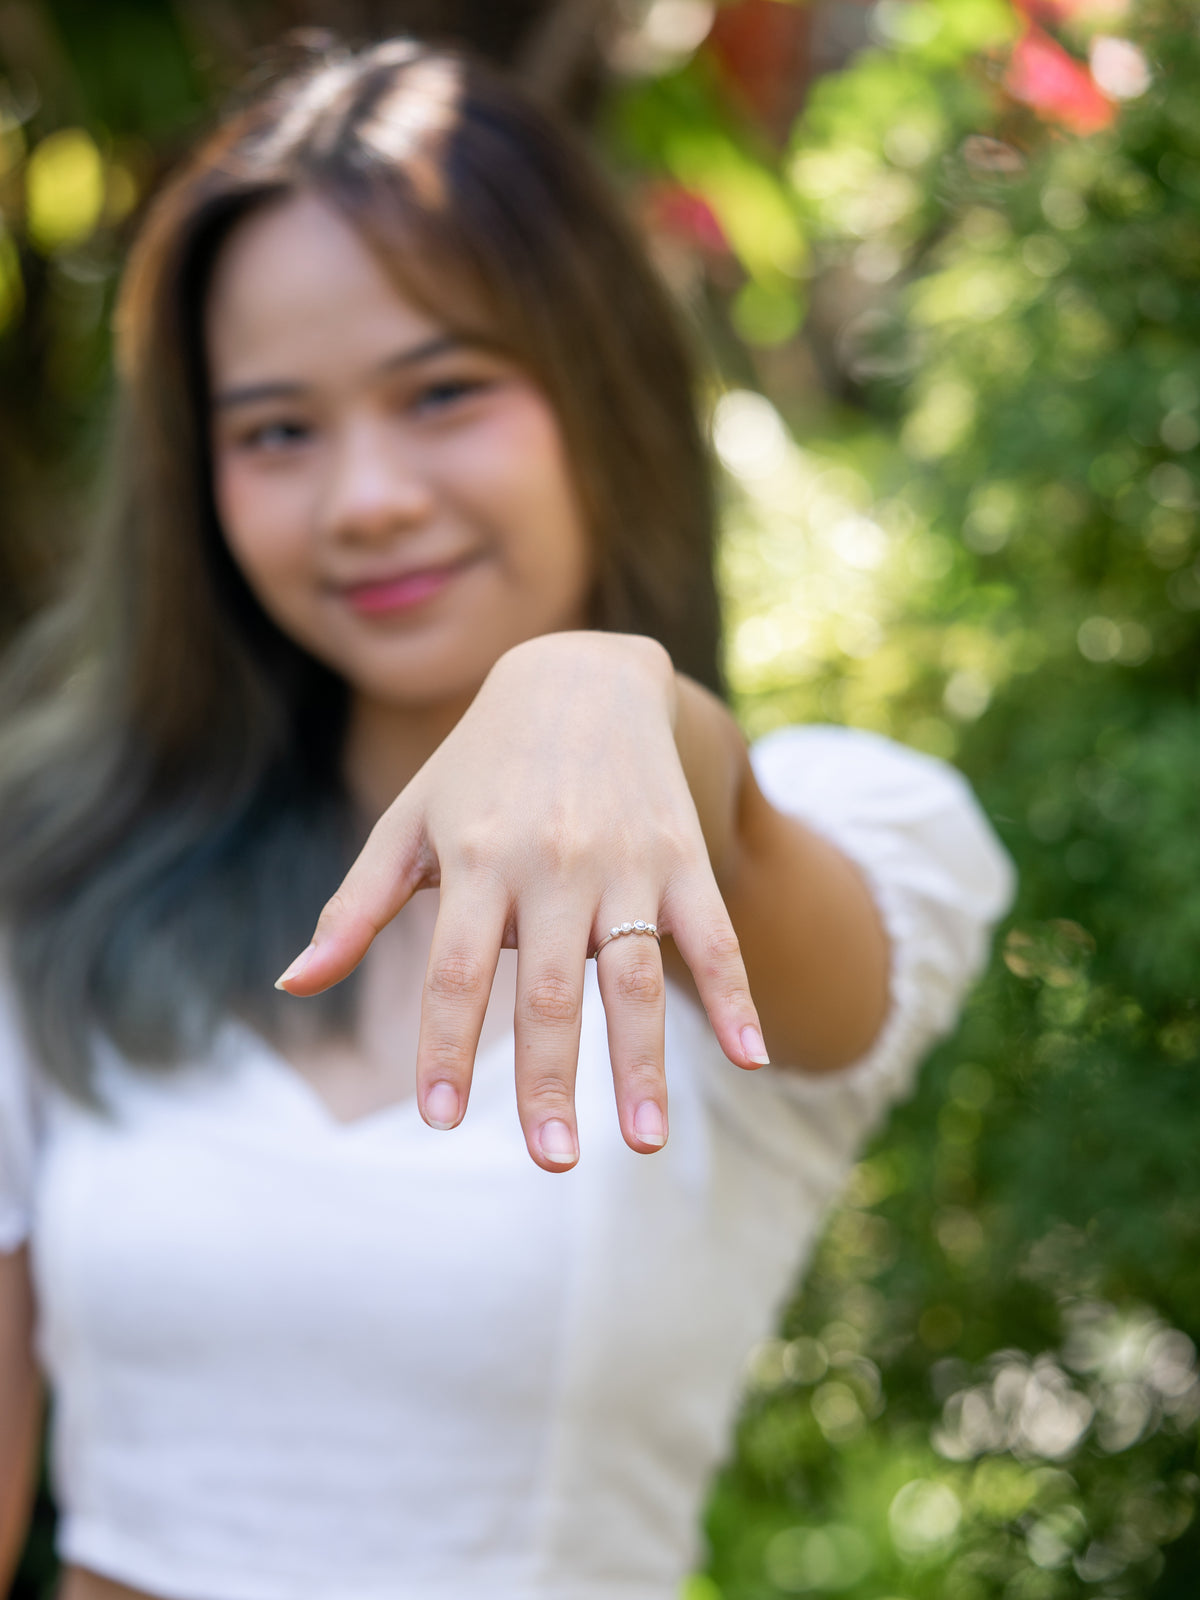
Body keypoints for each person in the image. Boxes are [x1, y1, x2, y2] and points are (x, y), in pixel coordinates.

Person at [0, 38, 1014, 1600]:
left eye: (446, 391)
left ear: (602, 387)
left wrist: (611, 697)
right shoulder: (56, 885)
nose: (366, 498)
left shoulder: (840, 830)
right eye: (277, 431)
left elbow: (796, 936)